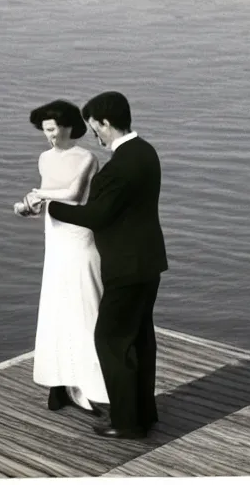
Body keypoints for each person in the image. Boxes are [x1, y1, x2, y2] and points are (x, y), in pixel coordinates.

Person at [48, 91, 168, 439]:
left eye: (94, 127)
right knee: (141, 338)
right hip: (149, 262)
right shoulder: (146, 152)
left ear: (104, 122)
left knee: (112, 340)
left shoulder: (120, 166)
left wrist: (53, 207)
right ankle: (144, 413)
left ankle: (127, 422)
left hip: (126, 267)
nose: (95, 136)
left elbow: (97, 216)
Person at [14, 99, 109, 415]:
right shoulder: (44, 158)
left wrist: (39, 194)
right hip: (55, 237)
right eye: (45, 131)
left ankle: (92, 387)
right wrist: (28, 206)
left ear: (69, 126)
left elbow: (73, 195)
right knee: (57, 307)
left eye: (53, 129)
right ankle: (61, 386)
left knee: (87, 307)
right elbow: (47, 198)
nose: (50, 137)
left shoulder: (87, 158)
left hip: (80, 238)